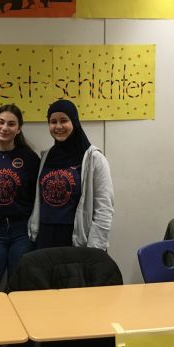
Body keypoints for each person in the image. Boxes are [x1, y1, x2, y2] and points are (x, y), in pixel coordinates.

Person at [29, 99, 114, 249]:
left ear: (74, 121)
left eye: (64, 120)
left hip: (76, 238)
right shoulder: (46, 156)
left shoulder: (93, 158)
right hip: (45, 236)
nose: (58, 126)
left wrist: (95, 247)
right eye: (53, 122)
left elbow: (104, 207)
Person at [0, 104, 40, 293]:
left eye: (11, 124)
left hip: (23, 232)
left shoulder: (30, 158)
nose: (5, 128)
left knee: (20, 291)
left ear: (19, 129)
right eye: (1, 122)